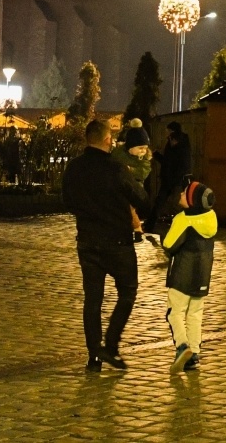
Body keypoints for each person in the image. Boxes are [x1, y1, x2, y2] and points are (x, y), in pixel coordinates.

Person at [62, 119, 151, 371]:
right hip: (117, 242)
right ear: (107, 140)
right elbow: (142, 199)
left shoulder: (74, 168)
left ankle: (94, 356)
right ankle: (110, 345)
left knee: (93, 299)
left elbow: (67, 201)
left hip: (88, 241)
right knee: (128, 291)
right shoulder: (117, 168)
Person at [161, 180, 217, 372]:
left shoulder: (183, 219)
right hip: (202, 275)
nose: (181, 196)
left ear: (192, 201)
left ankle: (182, 346)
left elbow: (169, 244)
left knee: (174, 312)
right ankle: (194, 354)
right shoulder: (211, 217)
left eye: (185, 194)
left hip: (182, 275)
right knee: (195, 313)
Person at [157, 121, 193, 220]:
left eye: (167, 130)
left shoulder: (175, 142)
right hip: (175, 176)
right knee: (165, 201)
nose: (166, 133)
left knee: (172, 201)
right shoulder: (182, 141)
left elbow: (169, 161)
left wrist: (156, 155)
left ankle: (178, 219)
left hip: (173, 177)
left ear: (172, 131)